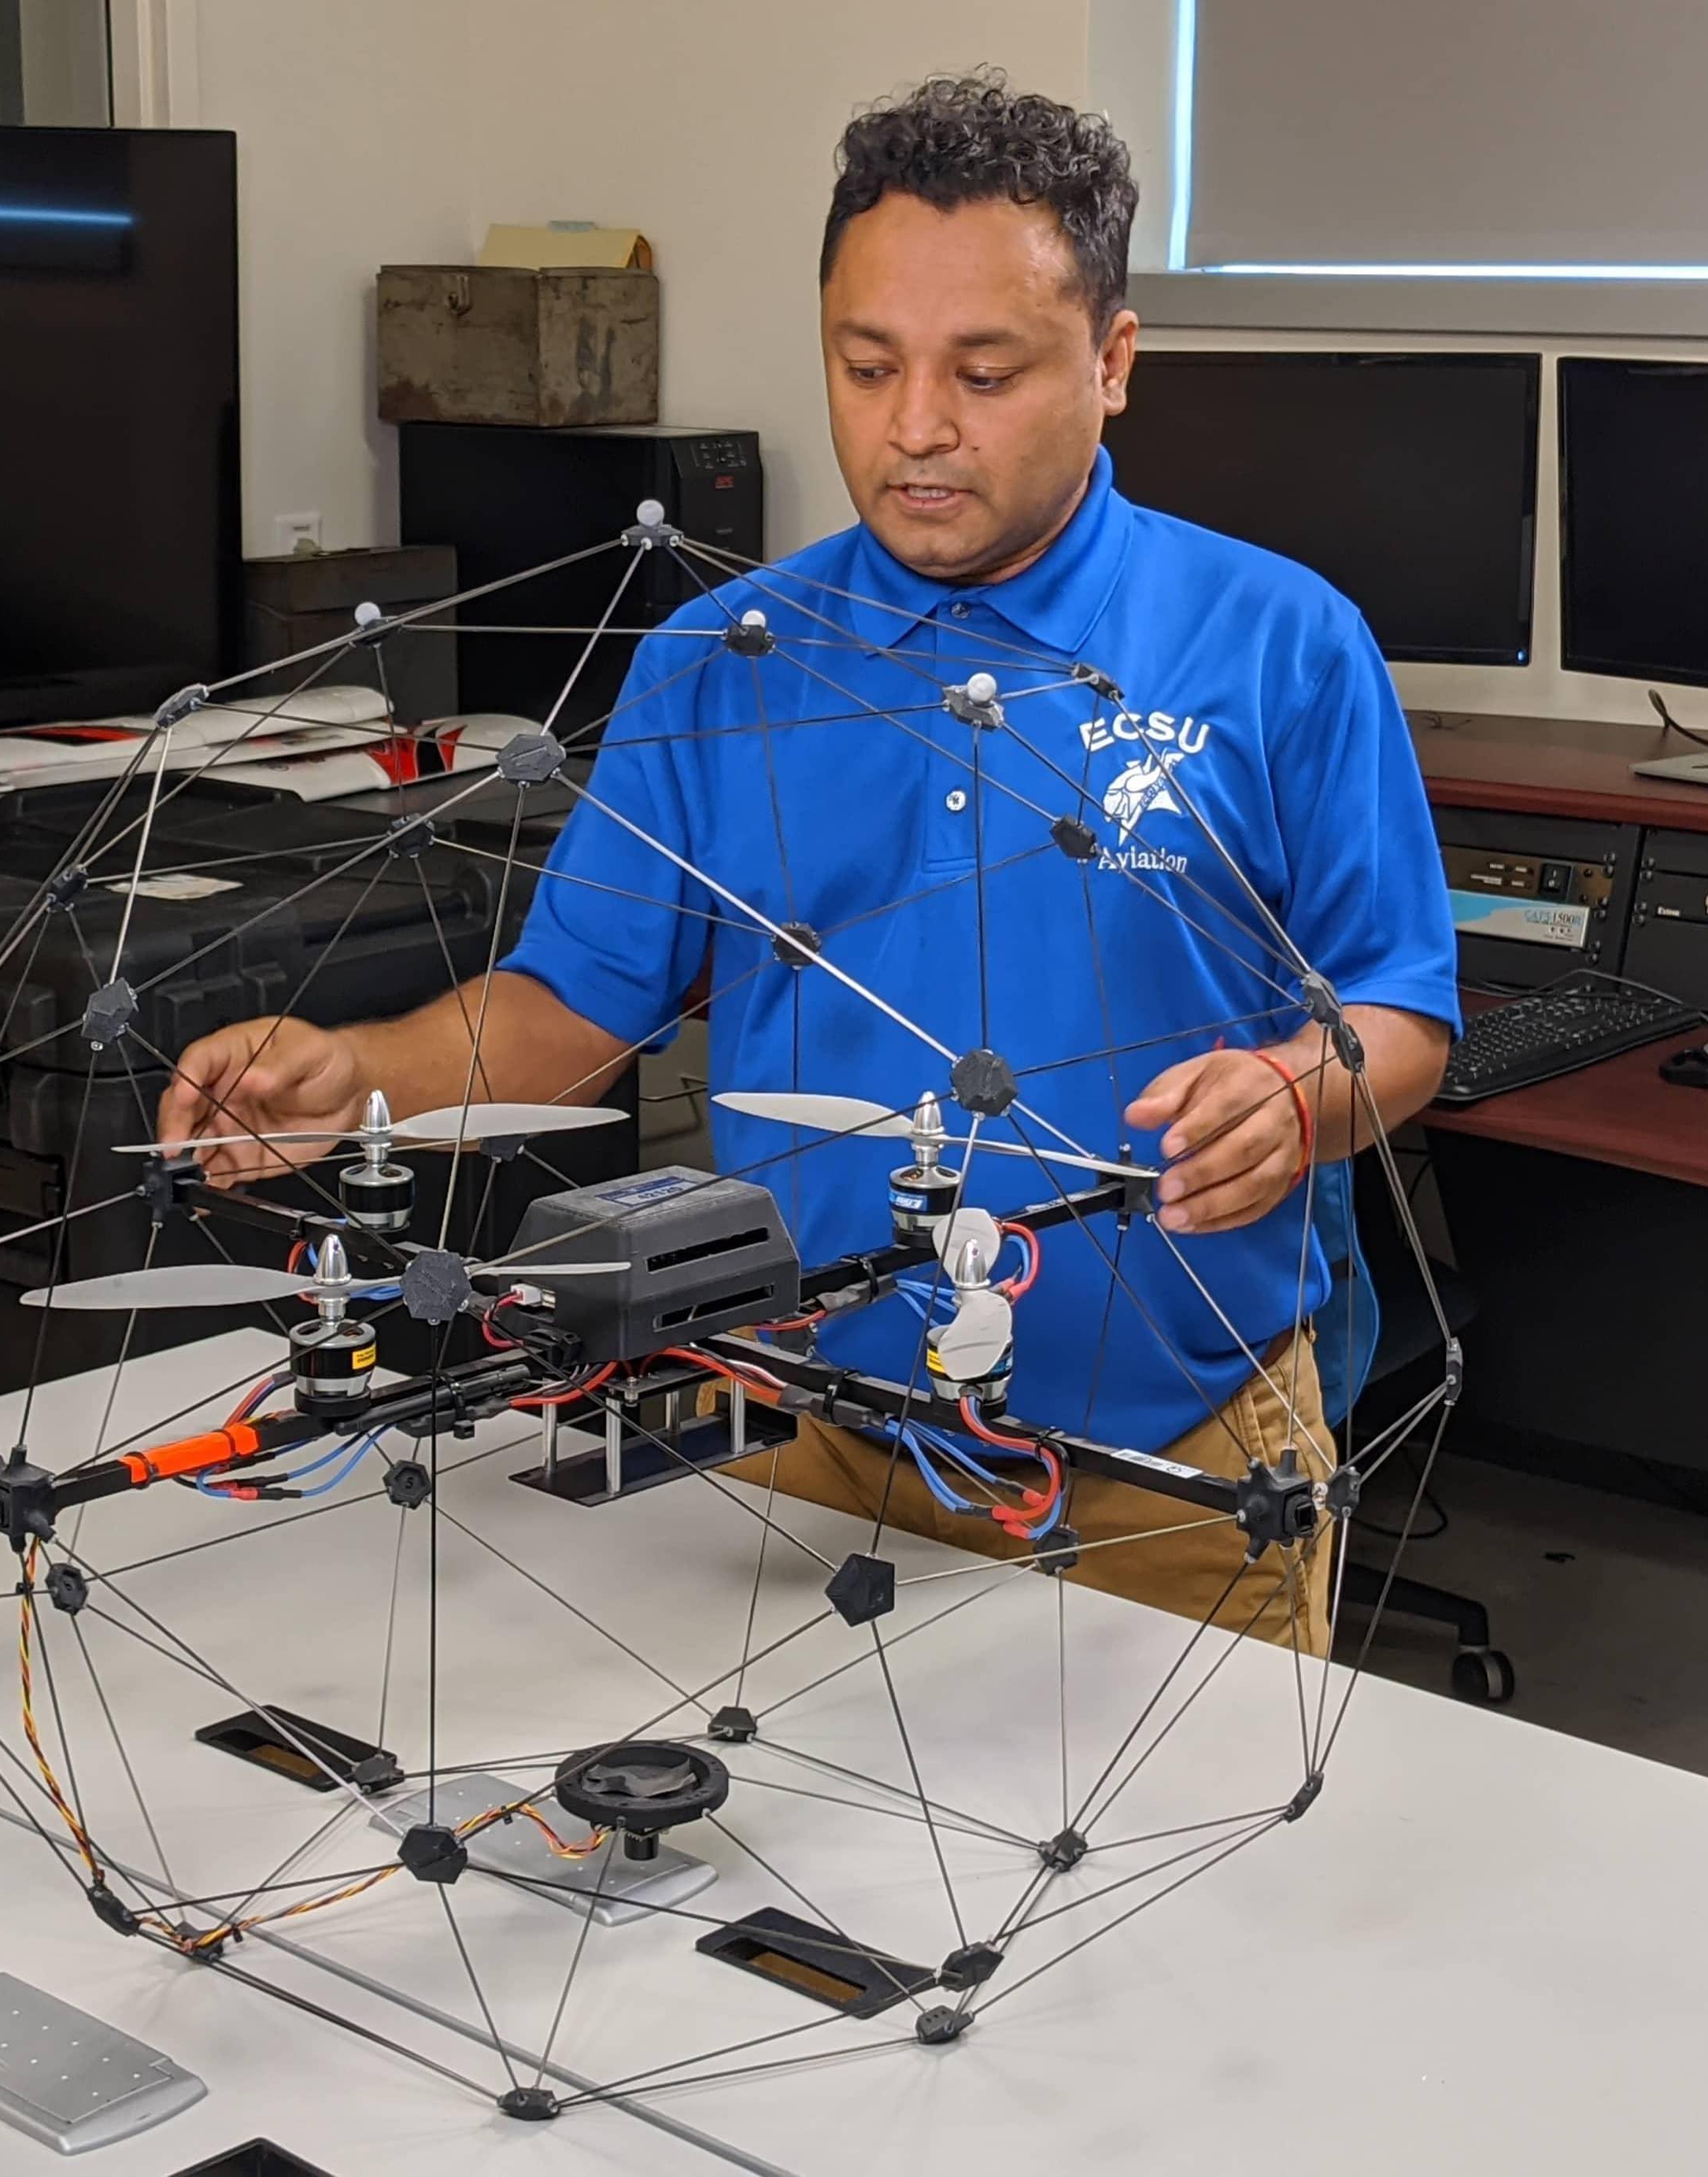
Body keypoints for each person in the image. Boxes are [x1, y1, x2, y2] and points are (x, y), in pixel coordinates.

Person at [158, 72, 1457, 1650]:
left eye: (985, 374)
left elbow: (1400, 1019)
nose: (915, 429)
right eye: (866, 365)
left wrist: (1298, 1094)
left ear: (1112, 363)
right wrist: (352, 1077)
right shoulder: (722, 660)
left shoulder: (1279, 643)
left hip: (1175, 1475)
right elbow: (576, 1004)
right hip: (816, 1457)